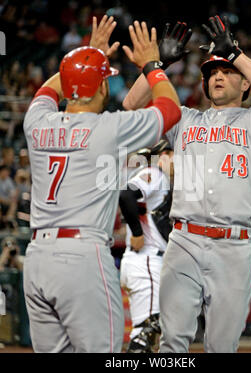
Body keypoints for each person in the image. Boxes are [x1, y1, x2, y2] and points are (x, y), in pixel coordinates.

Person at [123, 16, 251, 352]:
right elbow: (131, 106)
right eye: (213, 72)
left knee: (221, 346)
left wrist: (236, 54)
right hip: (184, 240)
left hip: (234, 246)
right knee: (172, 343)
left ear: (246, 84)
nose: (218, 76)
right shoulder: (184, 118)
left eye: (226, 71)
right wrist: (158, 65)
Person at [22, 15, 181, 353]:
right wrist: (153, 65)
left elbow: (48, 90)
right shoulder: (108, 128)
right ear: (104, 87)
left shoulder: (36, 121)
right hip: (81, 256)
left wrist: (86, 55)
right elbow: (170, 109)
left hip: (36, 257)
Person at [119, 140, 174, 352]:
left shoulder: (160, 178)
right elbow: (125, 194)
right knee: (146, 333)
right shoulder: (154, 173)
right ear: (164, 154)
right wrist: (138, 232)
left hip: (144, 262)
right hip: (147, 260)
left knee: (147, 333)